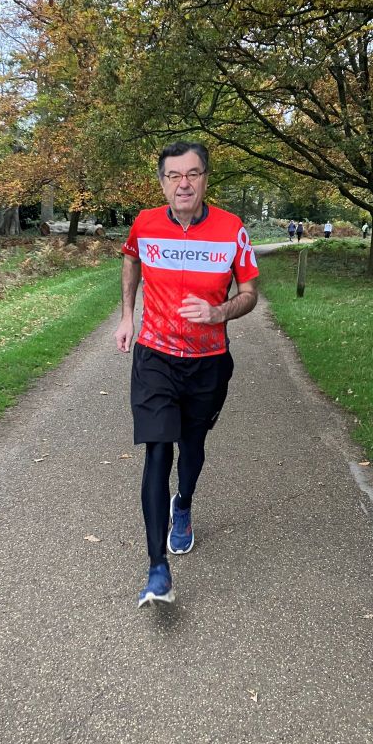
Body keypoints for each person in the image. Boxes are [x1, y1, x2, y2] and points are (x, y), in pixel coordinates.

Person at [115, 141, 259, 607]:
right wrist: (126, 315)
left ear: (205, 180)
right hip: (155, 355)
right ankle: (157, 568)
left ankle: (185, 505)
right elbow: (131, 257)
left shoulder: (231, 229)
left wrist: (219, 313)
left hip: (207, 362)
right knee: (157, 450)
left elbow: (251, 292)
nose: (183, 184)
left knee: (191, 449)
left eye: (193, 174)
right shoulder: (145, 223)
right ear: (162, 182)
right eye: (174, 175)